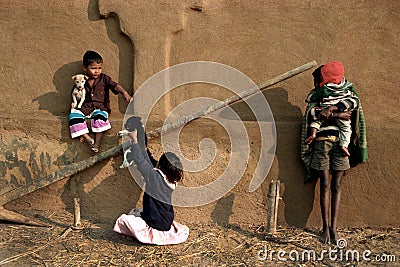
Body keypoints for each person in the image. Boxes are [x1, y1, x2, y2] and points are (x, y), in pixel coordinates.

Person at [300, 62, 368, 244]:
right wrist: (336, 114)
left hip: (341, 144)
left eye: (319, 78)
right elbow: (313, 113)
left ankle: (333, 228)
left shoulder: (348, 91)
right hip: (321, 143)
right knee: (324, 184)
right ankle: (324, 227)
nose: (318, 82)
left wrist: (329, 112)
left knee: (337, 185)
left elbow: (353, 110)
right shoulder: (317, 95)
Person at [113, 125, 189, 245]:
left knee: (125, 219)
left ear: (161, 167)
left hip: (155, 221)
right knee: (136, 213)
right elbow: (151, 161)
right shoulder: (170, 179)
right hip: (166, 220)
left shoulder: (155, 177)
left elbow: (141, 161)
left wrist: (135, 141)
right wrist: (144, 147)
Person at [68, 50, 132, 153]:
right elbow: (75, 94)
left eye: (99, 68)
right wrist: (73, 104)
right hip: (85, 108)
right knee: (73, 117)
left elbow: (114, 85)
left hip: (100, 108)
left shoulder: (104, 79)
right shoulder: (82, 80)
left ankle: (97, 143)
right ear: (85, 68)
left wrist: (124, 93)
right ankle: (88, 138)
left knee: (99, 118)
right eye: (93, 68)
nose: (97, 71)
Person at [304, 62, 358, 157]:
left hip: (331, 117)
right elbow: (311, 112)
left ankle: (313, 134)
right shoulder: (345, 89)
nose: (316, 85)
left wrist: (332, 108)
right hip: (334, 123)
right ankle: (344, 145)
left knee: (316, 123)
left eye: (318, 81)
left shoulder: (324, 89)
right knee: (346, 129)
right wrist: (338, 115)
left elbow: (309, 99)